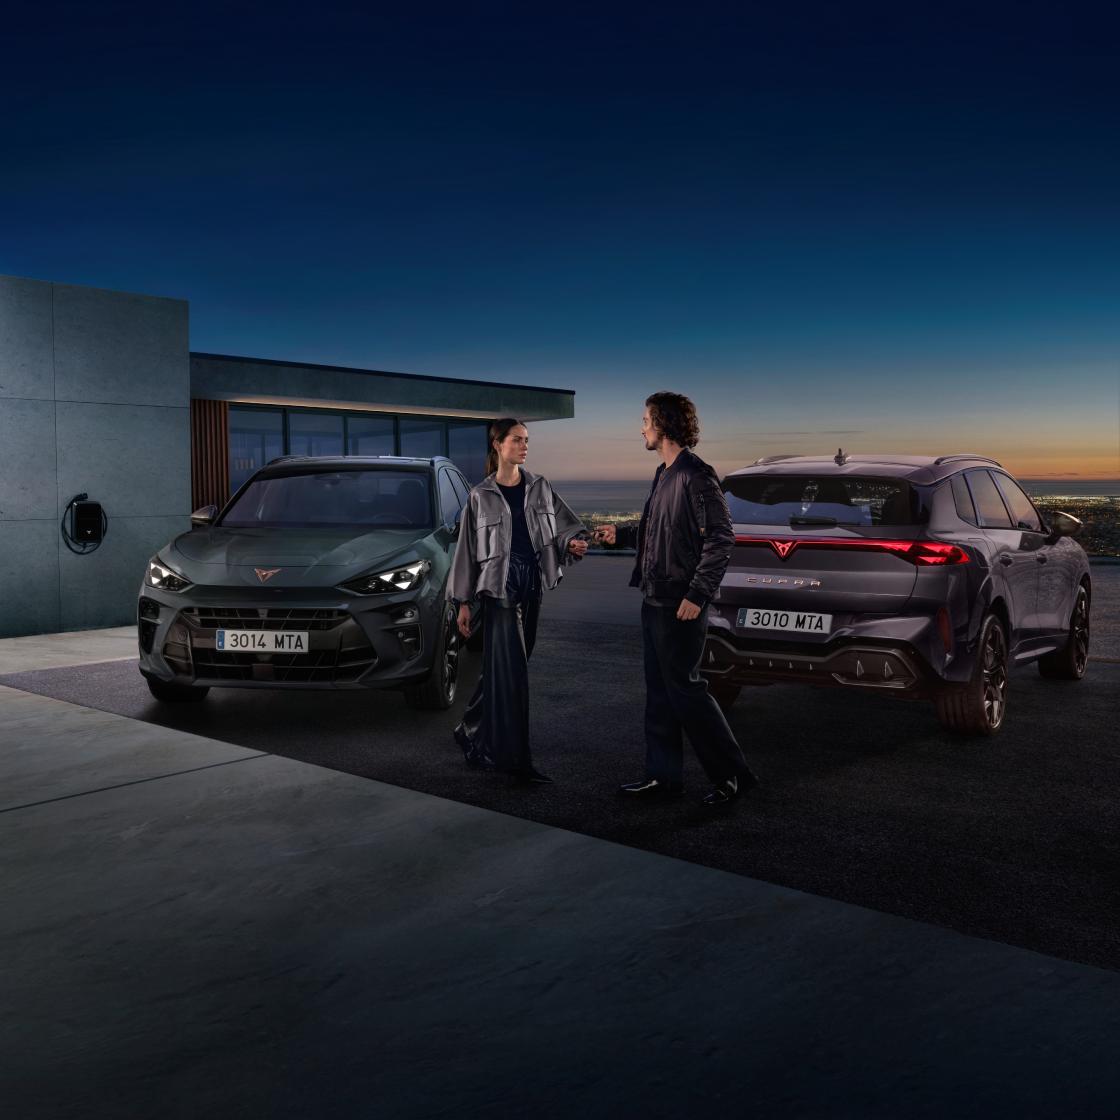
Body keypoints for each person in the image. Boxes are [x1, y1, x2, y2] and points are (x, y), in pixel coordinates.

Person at [593, 392, 759, 807]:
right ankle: (663, 778)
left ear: (663, 424)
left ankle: (733, 776)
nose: (641, 428)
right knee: (660, 695)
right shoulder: (664, 474)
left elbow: (721, 538)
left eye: (645, 420)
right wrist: (621, 534)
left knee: (687, 691)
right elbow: (658, 529)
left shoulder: (696, 475)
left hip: (680, 605)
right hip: (654, 599)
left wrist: (698, 594)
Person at [447, 417, 589, 784]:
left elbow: (564, 526)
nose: (525, 446)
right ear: (497, 445)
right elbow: (466, 552)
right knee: (514, 676)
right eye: (517, 440)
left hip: (532, 583)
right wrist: (463, 602)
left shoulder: (540, 487)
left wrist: (572, 543)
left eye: (526, 440)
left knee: (506, 668)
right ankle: (514, 761)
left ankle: (470, 728)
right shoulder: (480, 495)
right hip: (500, 588)